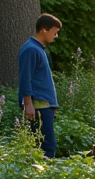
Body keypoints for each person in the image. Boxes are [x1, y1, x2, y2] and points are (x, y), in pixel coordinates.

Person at [18, 14, 62, 158]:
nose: (56, 36)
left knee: (43, 146)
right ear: (44, 30)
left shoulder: (37, 49)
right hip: (39, 106)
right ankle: (44, 178)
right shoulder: (31, 49)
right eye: (55, 32)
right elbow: (25, 78)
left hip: (44, 105)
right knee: (46, 146)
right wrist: (28, 103)